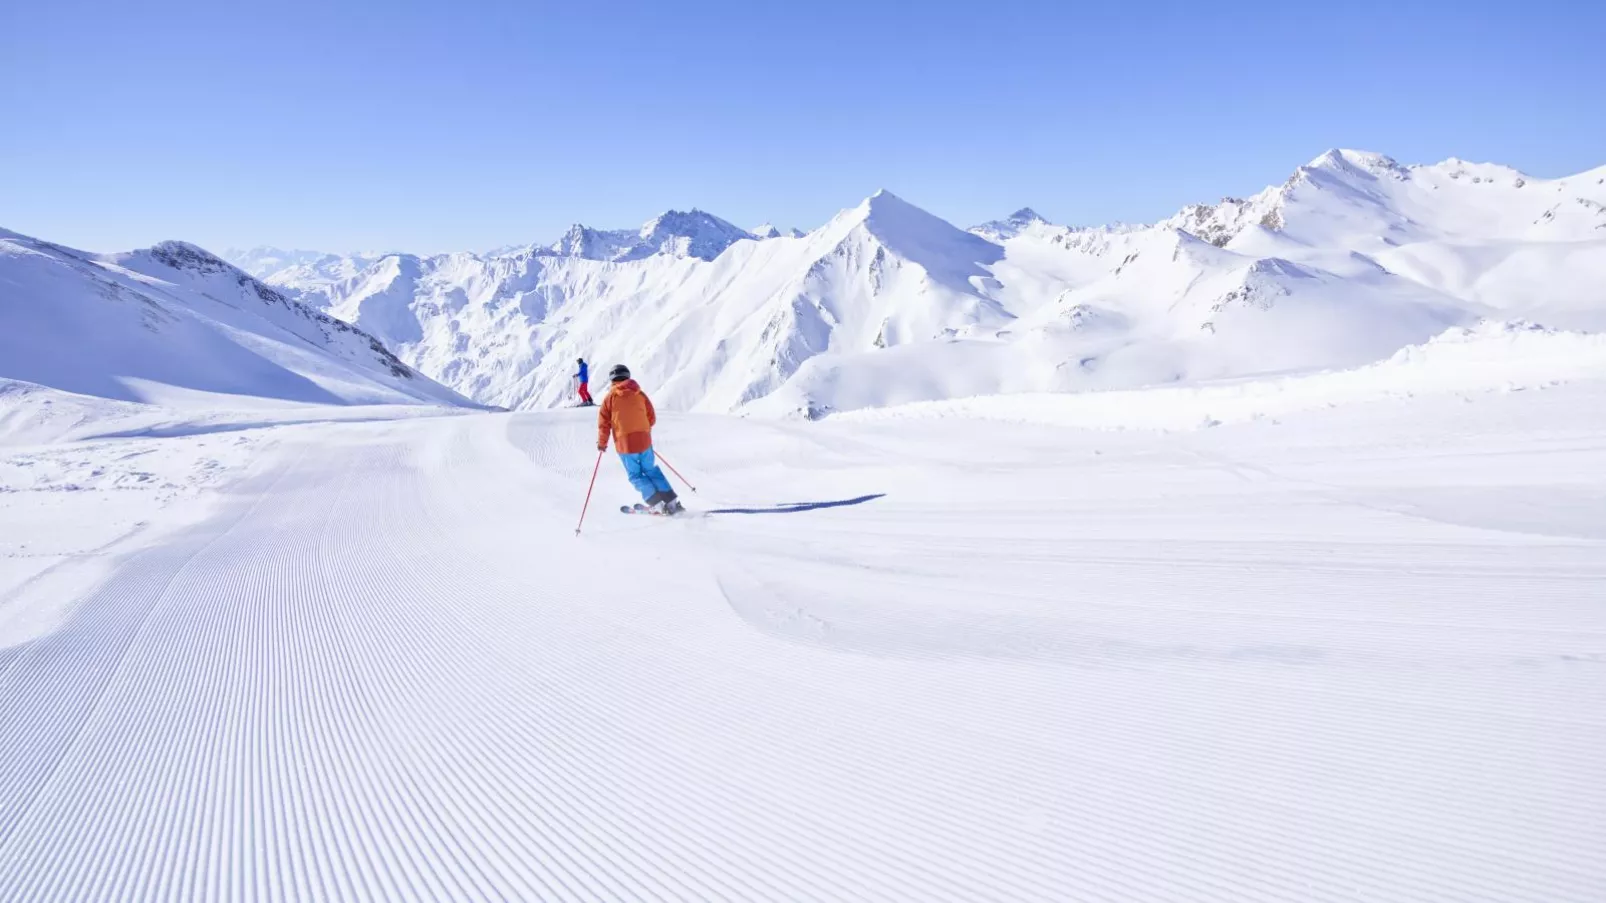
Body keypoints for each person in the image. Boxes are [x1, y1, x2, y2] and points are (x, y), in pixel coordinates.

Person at [597, 364, 682, 514]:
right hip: (644, 441)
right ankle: (671, 501)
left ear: (612, 380)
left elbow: (604, 424)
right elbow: (652, 418)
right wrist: (641, 430)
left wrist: (602, 444)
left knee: (635, 475)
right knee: (651, 470)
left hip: (625, 446)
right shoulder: (639, 394)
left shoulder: (609, 399)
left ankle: (657, 504)